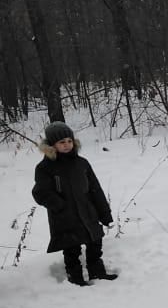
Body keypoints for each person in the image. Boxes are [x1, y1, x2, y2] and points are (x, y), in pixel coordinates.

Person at [32, 122, 117, 286]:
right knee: (71, 249)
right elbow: (40, 192)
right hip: (65, 217)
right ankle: (75, 277)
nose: (67, 145)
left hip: (87, 211)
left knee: (95, 242)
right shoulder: (45, 168)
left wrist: (104, 214)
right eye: (61, 142)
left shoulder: (82, 163)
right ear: (52, 145)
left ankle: (97, 272)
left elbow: (95, 190)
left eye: (69, 141)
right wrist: (59, 205)